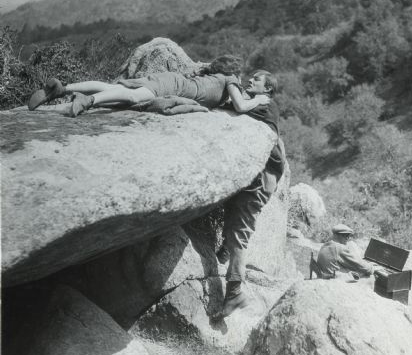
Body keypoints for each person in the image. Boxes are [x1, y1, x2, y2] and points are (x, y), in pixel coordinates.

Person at [216, 70, 286, 317]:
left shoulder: (264, 103)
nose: (250, 81)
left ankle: (235, 292)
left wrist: (230, 83)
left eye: (256, 80)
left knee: (239, 230)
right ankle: (225, 252)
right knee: (233, 213)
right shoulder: (264, 106)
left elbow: (237, 106)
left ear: (267, 89)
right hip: (259, 176)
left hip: (261, 178)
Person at [27, 55, 271, 116]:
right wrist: (257, 100)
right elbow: (239, 106)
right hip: (174, 86)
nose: (251, 80)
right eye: (253, 77)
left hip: (172, 80)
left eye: (256, 80)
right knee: (133, 98)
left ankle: (63, 89)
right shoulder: (233, 80)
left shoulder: (216, 77)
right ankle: (87, 101)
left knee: (112, 87)